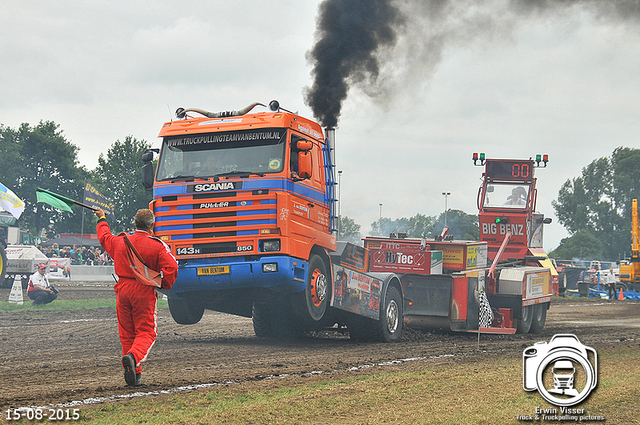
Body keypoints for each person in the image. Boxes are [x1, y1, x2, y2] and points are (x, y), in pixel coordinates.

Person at [94, 207, 178, 386]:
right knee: (147, 332)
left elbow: (104, 237)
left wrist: (102, 218)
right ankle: (134, 357)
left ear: (135, 224)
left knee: (127, 334)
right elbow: (172, 268)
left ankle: (134, 374)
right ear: (152, 226)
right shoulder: (157, 245)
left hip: (122, 289)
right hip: (143, 289)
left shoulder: (120, 241)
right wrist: (164, 284)